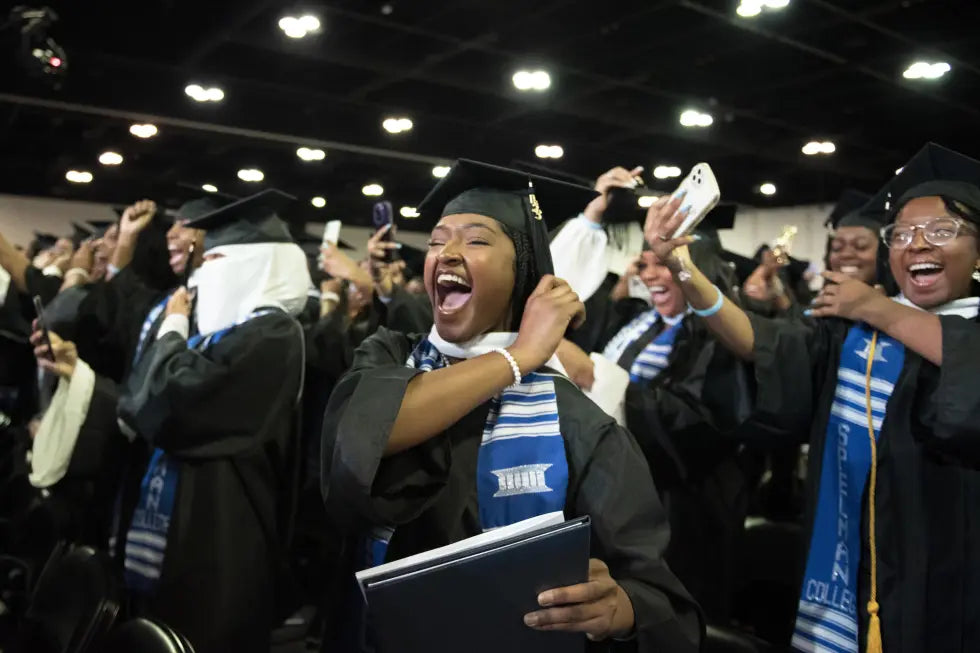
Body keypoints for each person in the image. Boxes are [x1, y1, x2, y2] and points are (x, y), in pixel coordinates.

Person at [321, 160, 702, 652]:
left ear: (522, 269)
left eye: (476, 240)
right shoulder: (392, 354)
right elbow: (365, 433)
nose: (447, 254)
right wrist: (521, 354)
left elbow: (661, 600)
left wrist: (620, 608)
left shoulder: (577, 423)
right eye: (437, 241)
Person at [643, 142, 980, 653]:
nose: (917, 245)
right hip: (851, 561)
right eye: (903, 234)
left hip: (955, 574)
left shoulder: (889, 317)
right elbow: (764, 344)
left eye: (941, 232)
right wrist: (683, 268)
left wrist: (879, 310)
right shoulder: (854, 329)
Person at [105, 189, 309, 653]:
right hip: (187, 524)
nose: (205, 272)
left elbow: (172, 402)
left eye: (216, 258)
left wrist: (174, 328)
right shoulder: (227, 336)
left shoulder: (274, 334)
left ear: (255, 264)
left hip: (225, 533)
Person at [554, 206, 748, 624]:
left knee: (671, 615)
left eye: (667, 264)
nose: (652, 275)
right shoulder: (642, 323)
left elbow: (698, 426)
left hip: (685, 511)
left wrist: (596, 377)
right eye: (647, 263)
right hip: (624, 497)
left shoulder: (719, 338)